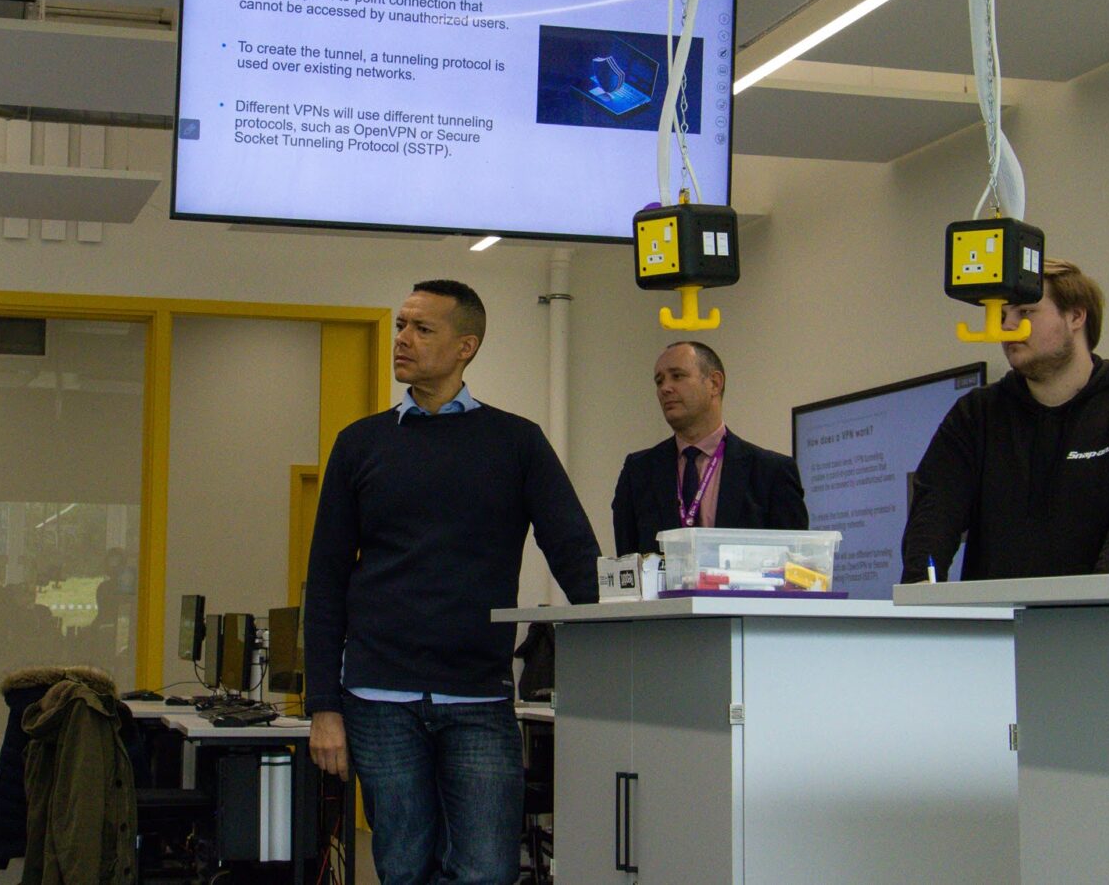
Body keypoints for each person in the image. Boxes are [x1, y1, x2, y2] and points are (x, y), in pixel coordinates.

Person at [303, 279, 600, 885]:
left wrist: (626, 632)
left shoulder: (516, 442)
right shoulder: (360, 444)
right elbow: (326, 579)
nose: (403, 340)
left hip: (479, 693)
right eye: (400, 326)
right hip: (378, 696)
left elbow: (573, 552)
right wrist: (322, 707)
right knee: (403, 866)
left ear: (466, 346)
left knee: (488, 869)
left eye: (421, 329)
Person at [901, 259, 1109, 581]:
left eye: (1025, 312)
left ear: (1076, 316)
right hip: (996, 626)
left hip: (1101, 623)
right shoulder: (975, 416)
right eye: (1002, 315)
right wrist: (923, 605)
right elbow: (931, 523)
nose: (1007, 326)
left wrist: (1089, 614)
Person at [613, 341, 808, 556]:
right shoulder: (639, 471)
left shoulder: (771, 472)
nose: (665, 388)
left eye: (677, 376)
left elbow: (794, 569)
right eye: (659, 381)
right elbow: (627, 564)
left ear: (714, 383)